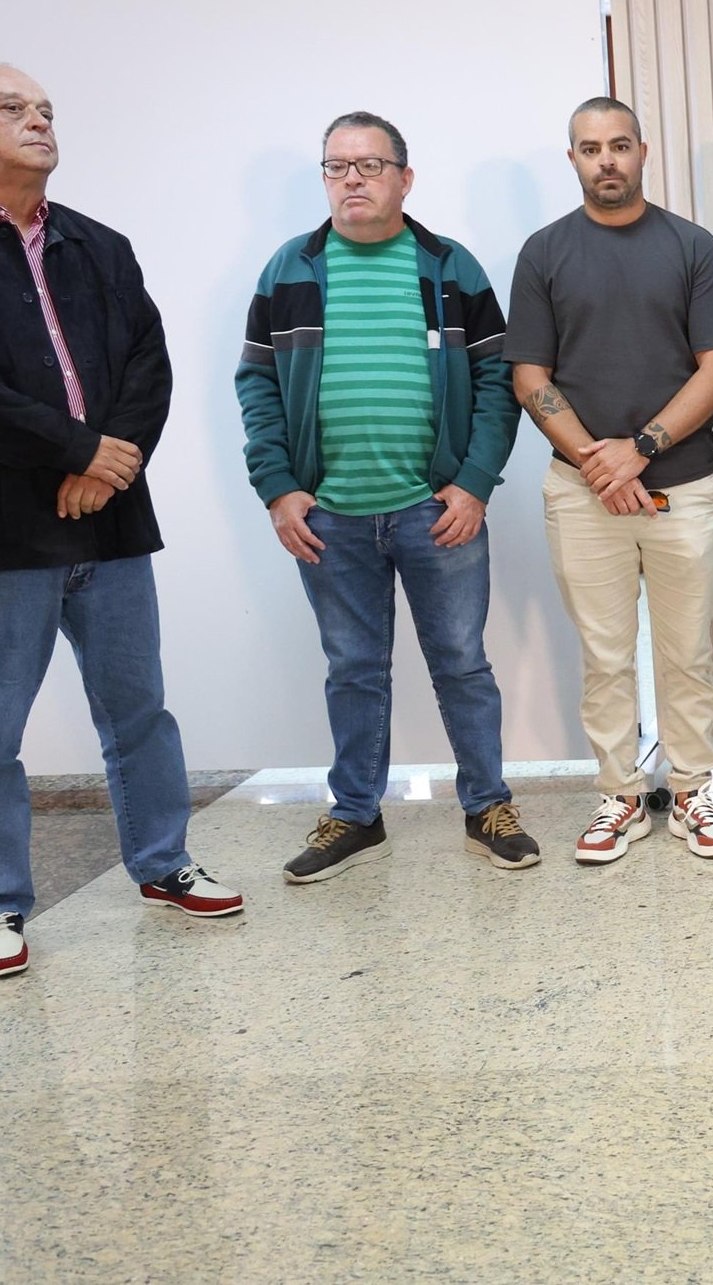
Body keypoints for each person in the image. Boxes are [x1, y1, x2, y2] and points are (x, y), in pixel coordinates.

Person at [0, 63, 241, 981]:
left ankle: (163, 862)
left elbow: (145, 366)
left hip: (110, 527)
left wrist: (109, 460)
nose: (39, 120)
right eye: (14, 108)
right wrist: (73, 452)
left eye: (46, 109)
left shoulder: (97, 244)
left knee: (138, 714)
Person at [238, 110, 529, 881]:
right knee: (353, 669)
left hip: (437, 512)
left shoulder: (449, 267)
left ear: (405, 176)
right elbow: (258, 386)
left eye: (370, 165)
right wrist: (278, 490)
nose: (353, 179)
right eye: (337, 167)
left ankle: (487, 806)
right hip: (328, 517)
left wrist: (472, 484)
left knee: (462, 663)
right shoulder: (290, 271)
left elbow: (502, 384)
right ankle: (356, 814)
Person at [509, 97, 713, 865]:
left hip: (682, 487)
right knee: (605, 655)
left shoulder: (691, 247)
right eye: (588, 149)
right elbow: (530, 376)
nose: (605, 160)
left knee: (686, 650)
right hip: (582, 495)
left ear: (644, 151)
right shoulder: (543, 253)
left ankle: (691, 792)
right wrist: (596, 464)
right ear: (571, 159)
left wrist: (638, 448)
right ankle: (618, 795)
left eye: (618, 146)